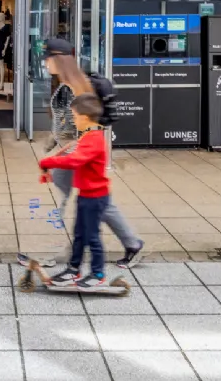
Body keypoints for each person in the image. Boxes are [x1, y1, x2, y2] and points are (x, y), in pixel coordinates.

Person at [37, 39, 144, 268]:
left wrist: (62, 147)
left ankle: (60, 252)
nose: (45, 63)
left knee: (69, 197)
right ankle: (131, 243)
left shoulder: (72, 87)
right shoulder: (70, 83)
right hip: (77, 148)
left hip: (78, 151)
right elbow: (66, 120)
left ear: (59, 59)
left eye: (47, 59)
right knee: (98, 200)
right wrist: (54, 139)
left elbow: (77, 121)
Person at [39, 93, 110, 290]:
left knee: (92, 236)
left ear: (85, 117)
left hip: (96, 197)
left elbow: (75, 160)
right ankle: (73, 270)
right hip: (86, 195)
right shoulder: (88, 135)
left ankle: (98, 274)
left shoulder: (94, 139)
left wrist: (48, 161)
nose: (73, 120)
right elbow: (77, 154)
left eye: (75, 116)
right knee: (79, 234)